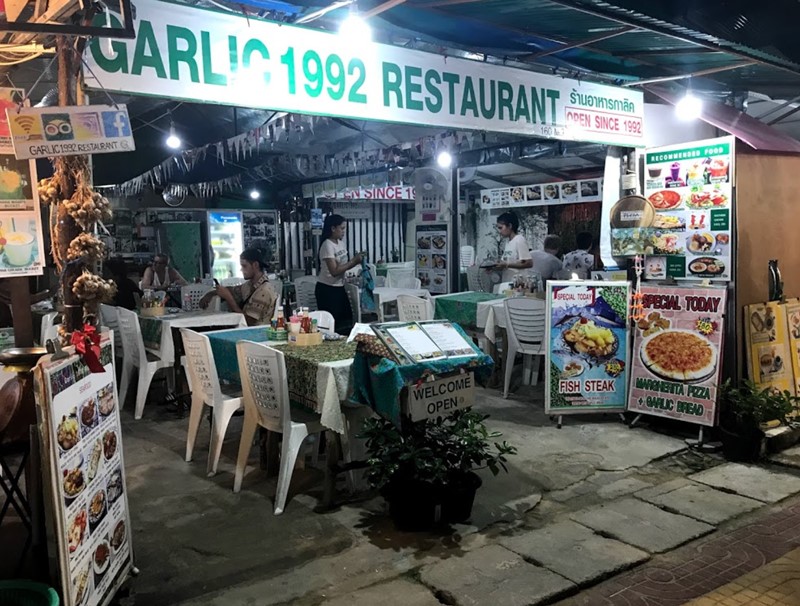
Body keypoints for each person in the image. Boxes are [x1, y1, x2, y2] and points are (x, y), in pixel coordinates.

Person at [199, 248, 276, 326]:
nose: (241, 269)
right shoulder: (250, 285)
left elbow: (247, 322)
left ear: (255, 265)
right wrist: (211, 294)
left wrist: (228, 298)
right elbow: (233, 291)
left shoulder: (263, 291)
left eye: (244, 266)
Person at [316, 214, 362, 334]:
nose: (344, 231)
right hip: (327, 290)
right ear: (333, 228)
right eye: (341, 228)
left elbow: (343, 266)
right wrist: (354, 261)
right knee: (332, 326)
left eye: (344, 228)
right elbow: (334, 271)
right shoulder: (327, 245)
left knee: (346, 322)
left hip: (339, 287)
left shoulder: (340, 243)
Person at [494, 211, 532, 282]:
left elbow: (528, 263)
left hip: (518, 284)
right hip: (507, 282)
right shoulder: (507, 242)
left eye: (501, 228)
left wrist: (507, 265)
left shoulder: (519, 240)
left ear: (510, 226)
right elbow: (505, 263)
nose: (500, 231)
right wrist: (494, 267)